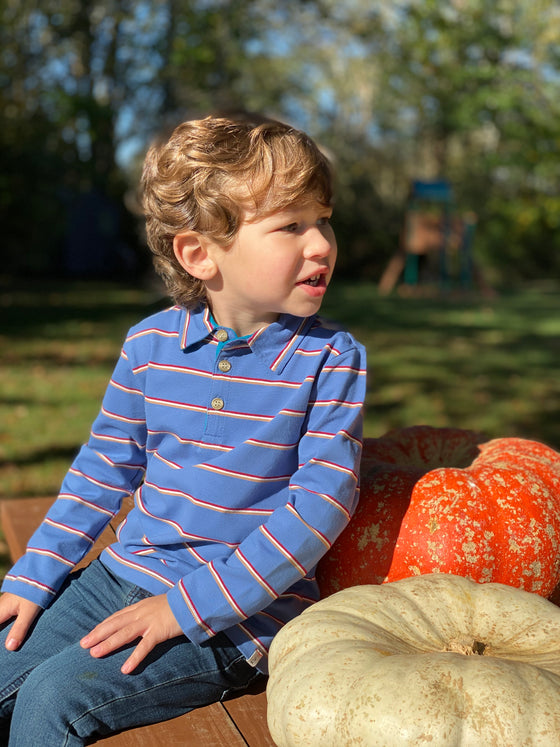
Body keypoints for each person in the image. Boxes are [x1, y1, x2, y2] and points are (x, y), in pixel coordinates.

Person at [0, 116, 367, 745]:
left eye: (322, 219)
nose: (321, 243)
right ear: (200, 253)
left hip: (236, 618)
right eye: (291, 225)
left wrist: (186, 606)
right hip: (121, 574)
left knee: (54, 699)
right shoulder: (150, 346)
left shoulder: (330, 360)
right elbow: (102, 469)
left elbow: (320, 506)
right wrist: (35, 573)